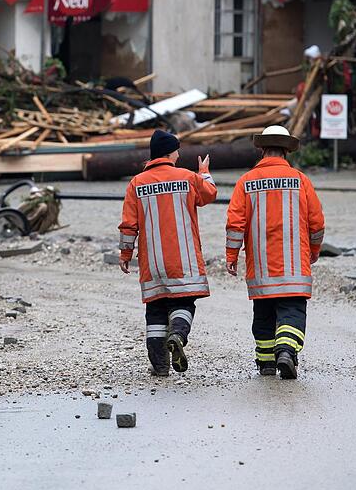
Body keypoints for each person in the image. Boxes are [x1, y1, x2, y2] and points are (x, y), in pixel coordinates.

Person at [225, 125, 325, 379]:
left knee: (264, 316)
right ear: (286, 151)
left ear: (262, 150)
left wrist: (231, 255)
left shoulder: (246, 181)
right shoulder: (301, 180)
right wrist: (314, 250)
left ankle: (266, 363)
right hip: (294, 267)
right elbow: (317, 223)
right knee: (292, 312)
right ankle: (286, 351)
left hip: (261, 268)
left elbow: (235, 224)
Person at [119, 130, 217, 376]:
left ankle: (160, 366)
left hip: (152, 263)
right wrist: (204, 172)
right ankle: (178, 335)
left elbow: (128, 225)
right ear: (170, 153)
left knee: (155, 310)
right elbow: (210, 194)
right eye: (177, 151)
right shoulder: (188, 177)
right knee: (183, 303)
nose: (179, 155)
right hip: (184, 260)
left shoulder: (137, 183)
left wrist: (125, 254)